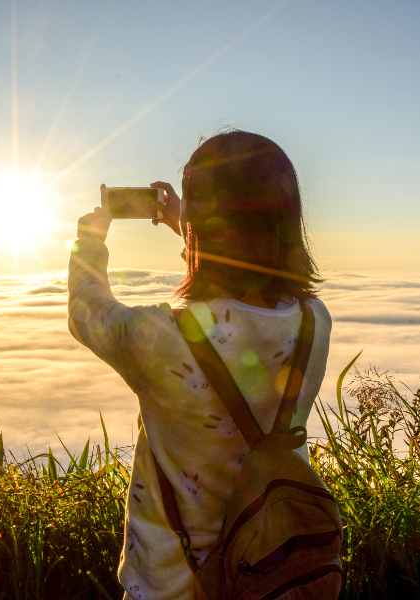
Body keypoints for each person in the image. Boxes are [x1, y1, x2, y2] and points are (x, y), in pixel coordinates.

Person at [67, 130, 332, 600]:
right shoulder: (314, 321)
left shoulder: (162, 338)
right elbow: (247, 273)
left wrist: (89, 242)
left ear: (209, 226)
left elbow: (87, 311)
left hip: (172, 584)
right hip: (272, 570)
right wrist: (183, 222)